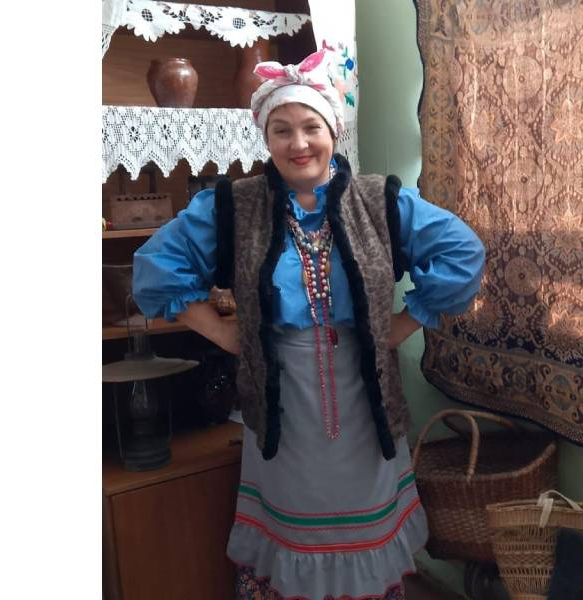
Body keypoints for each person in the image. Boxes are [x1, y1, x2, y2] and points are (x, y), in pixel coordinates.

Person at [132, 49, 485, 600]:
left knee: (364, 518)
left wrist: (408, 319)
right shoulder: (233, 205)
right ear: (266, 138)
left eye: (310, 127)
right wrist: (224, 333)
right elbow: (157, 267)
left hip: (364, 396)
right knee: (292, 520)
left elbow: (462, 253)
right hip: (282, 398)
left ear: (333, 131)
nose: (298, 143)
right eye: (281, 130)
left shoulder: (379, 200)